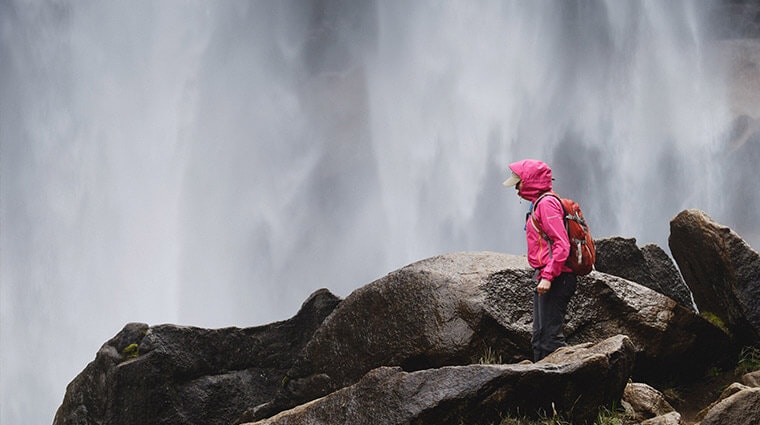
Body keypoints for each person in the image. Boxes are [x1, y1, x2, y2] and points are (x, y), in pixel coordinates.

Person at [503, 159, 577, 362]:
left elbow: (562, 244)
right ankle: (540, 386)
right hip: (547, 275)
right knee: (539, 337)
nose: (516, 188)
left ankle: (572, 383)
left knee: (550, 339)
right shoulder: (537, 204)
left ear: (529, 181)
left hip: (558, 277)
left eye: (518, 182)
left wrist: (548, 277)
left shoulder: (546, 205)